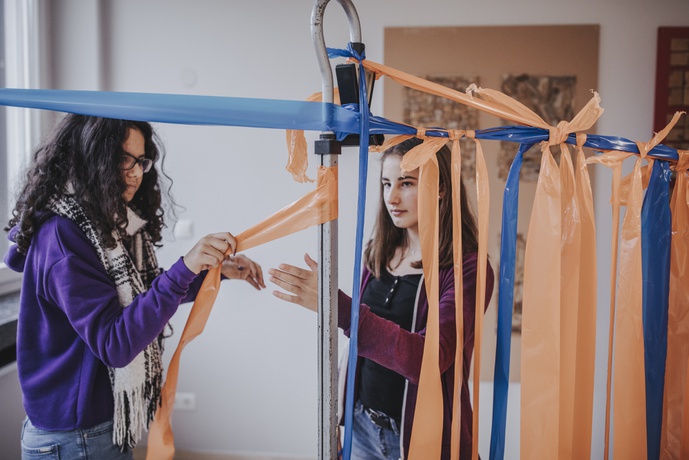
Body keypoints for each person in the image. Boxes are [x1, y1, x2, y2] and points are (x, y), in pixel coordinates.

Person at [3, 114, 265, 459]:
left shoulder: (99, 222)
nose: (136, 172)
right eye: (123, 158)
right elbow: (115, 342)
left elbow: (141, 294)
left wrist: (212, 272)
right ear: (89, 156)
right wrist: (185, 267)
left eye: (141, 160)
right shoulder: (65, 236)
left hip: (90, 427)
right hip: (77, 438)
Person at [269, 137, 494, 460]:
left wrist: (339, 308)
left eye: (406, 183)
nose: (392, 197)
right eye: (387, 183)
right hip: (362, 426)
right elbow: (357, 347)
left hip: (422, 439)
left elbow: (428, 361)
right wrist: (340, 414)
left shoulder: (468, 268)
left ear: (441, 189)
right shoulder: (378, 251)